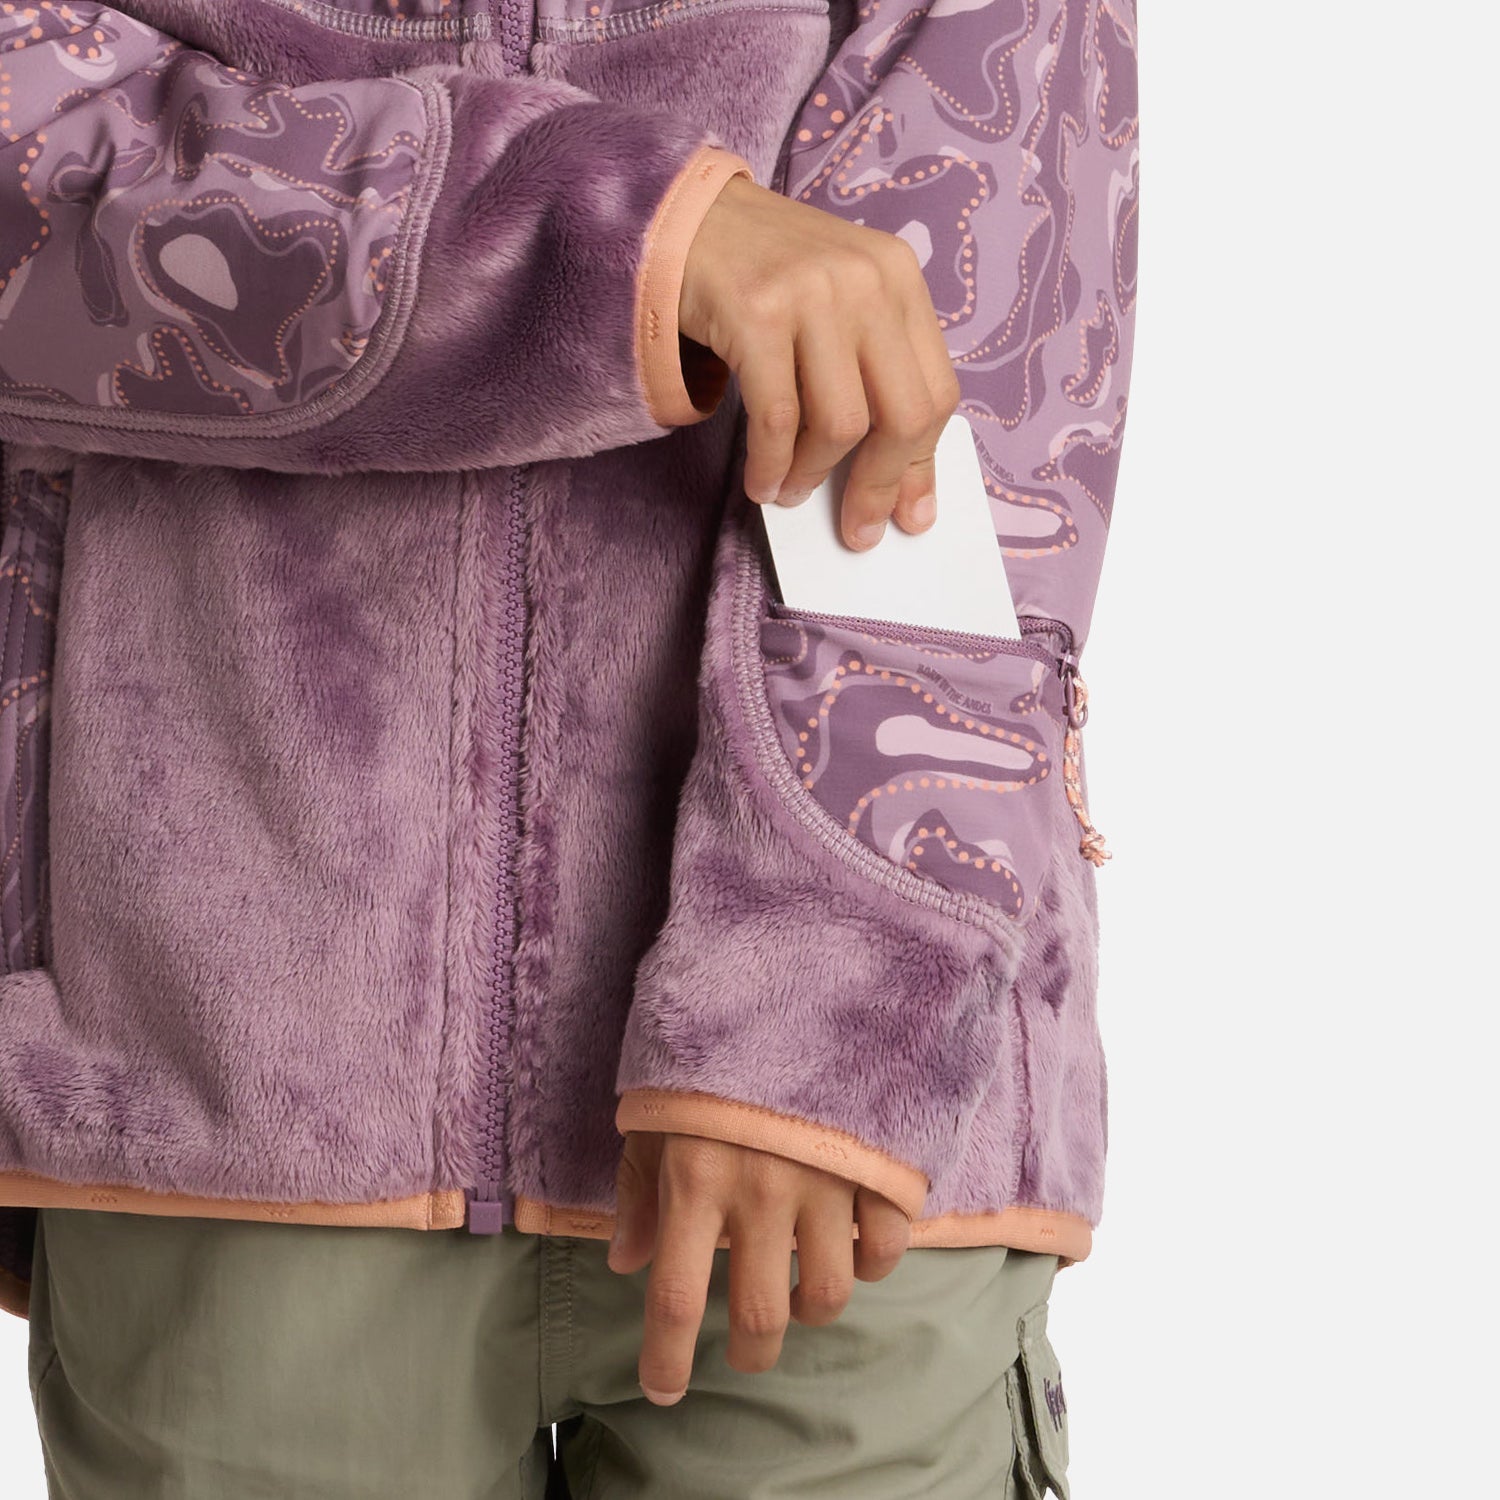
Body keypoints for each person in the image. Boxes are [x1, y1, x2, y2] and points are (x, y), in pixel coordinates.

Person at [0, 0, 1138, 1494]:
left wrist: (829, 999)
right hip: (220, 1079)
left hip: (846, 1161)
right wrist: (631, 233)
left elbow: (979, 407)